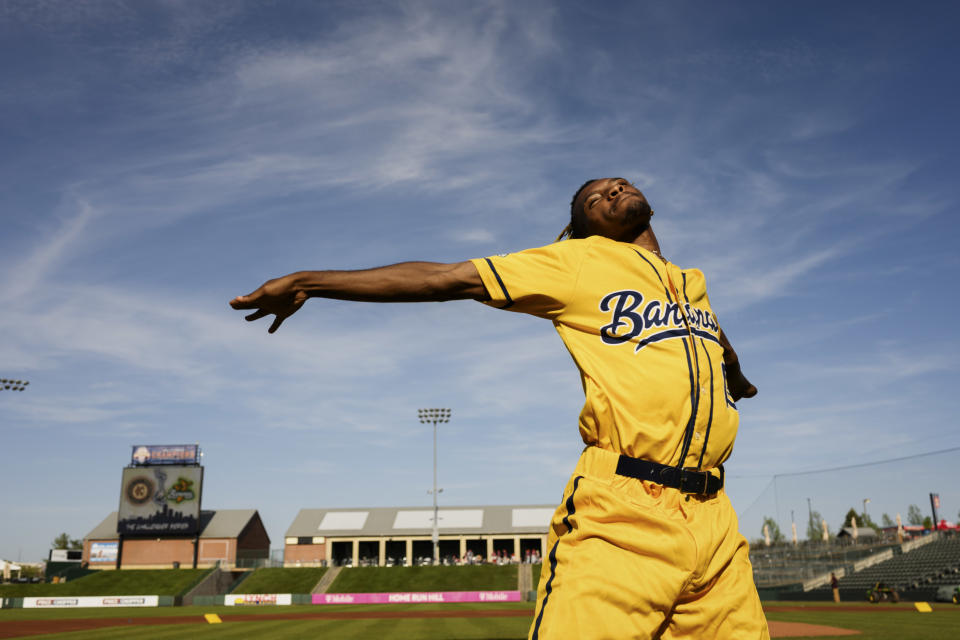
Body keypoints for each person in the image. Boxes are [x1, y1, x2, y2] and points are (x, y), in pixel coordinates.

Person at [231, 177, 767, 639]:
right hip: (625, 512)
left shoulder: (690, 284)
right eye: (594, 198)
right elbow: (444, 279)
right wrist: (309, 283)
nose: (613, 189)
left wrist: (736, 376)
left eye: (618, 183)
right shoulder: (575, 262)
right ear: (585, 227)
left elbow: (715, 337)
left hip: (716, 522)